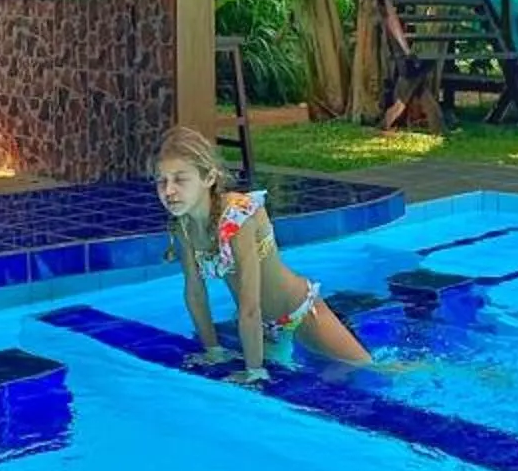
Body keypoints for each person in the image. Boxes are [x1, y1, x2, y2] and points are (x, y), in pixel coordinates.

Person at [151, 125, 375, 385]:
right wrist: (213, 350)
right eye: (161, 180)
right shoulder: (184, 225)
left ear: (209, 177)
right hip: (264, 328)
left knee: (368, 370)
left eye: (180, 179)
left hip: (300, 311)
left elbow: (250, 304)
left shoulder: (237, 217)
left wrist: (254, 370)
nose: (168, 191)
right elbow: (195, 293)